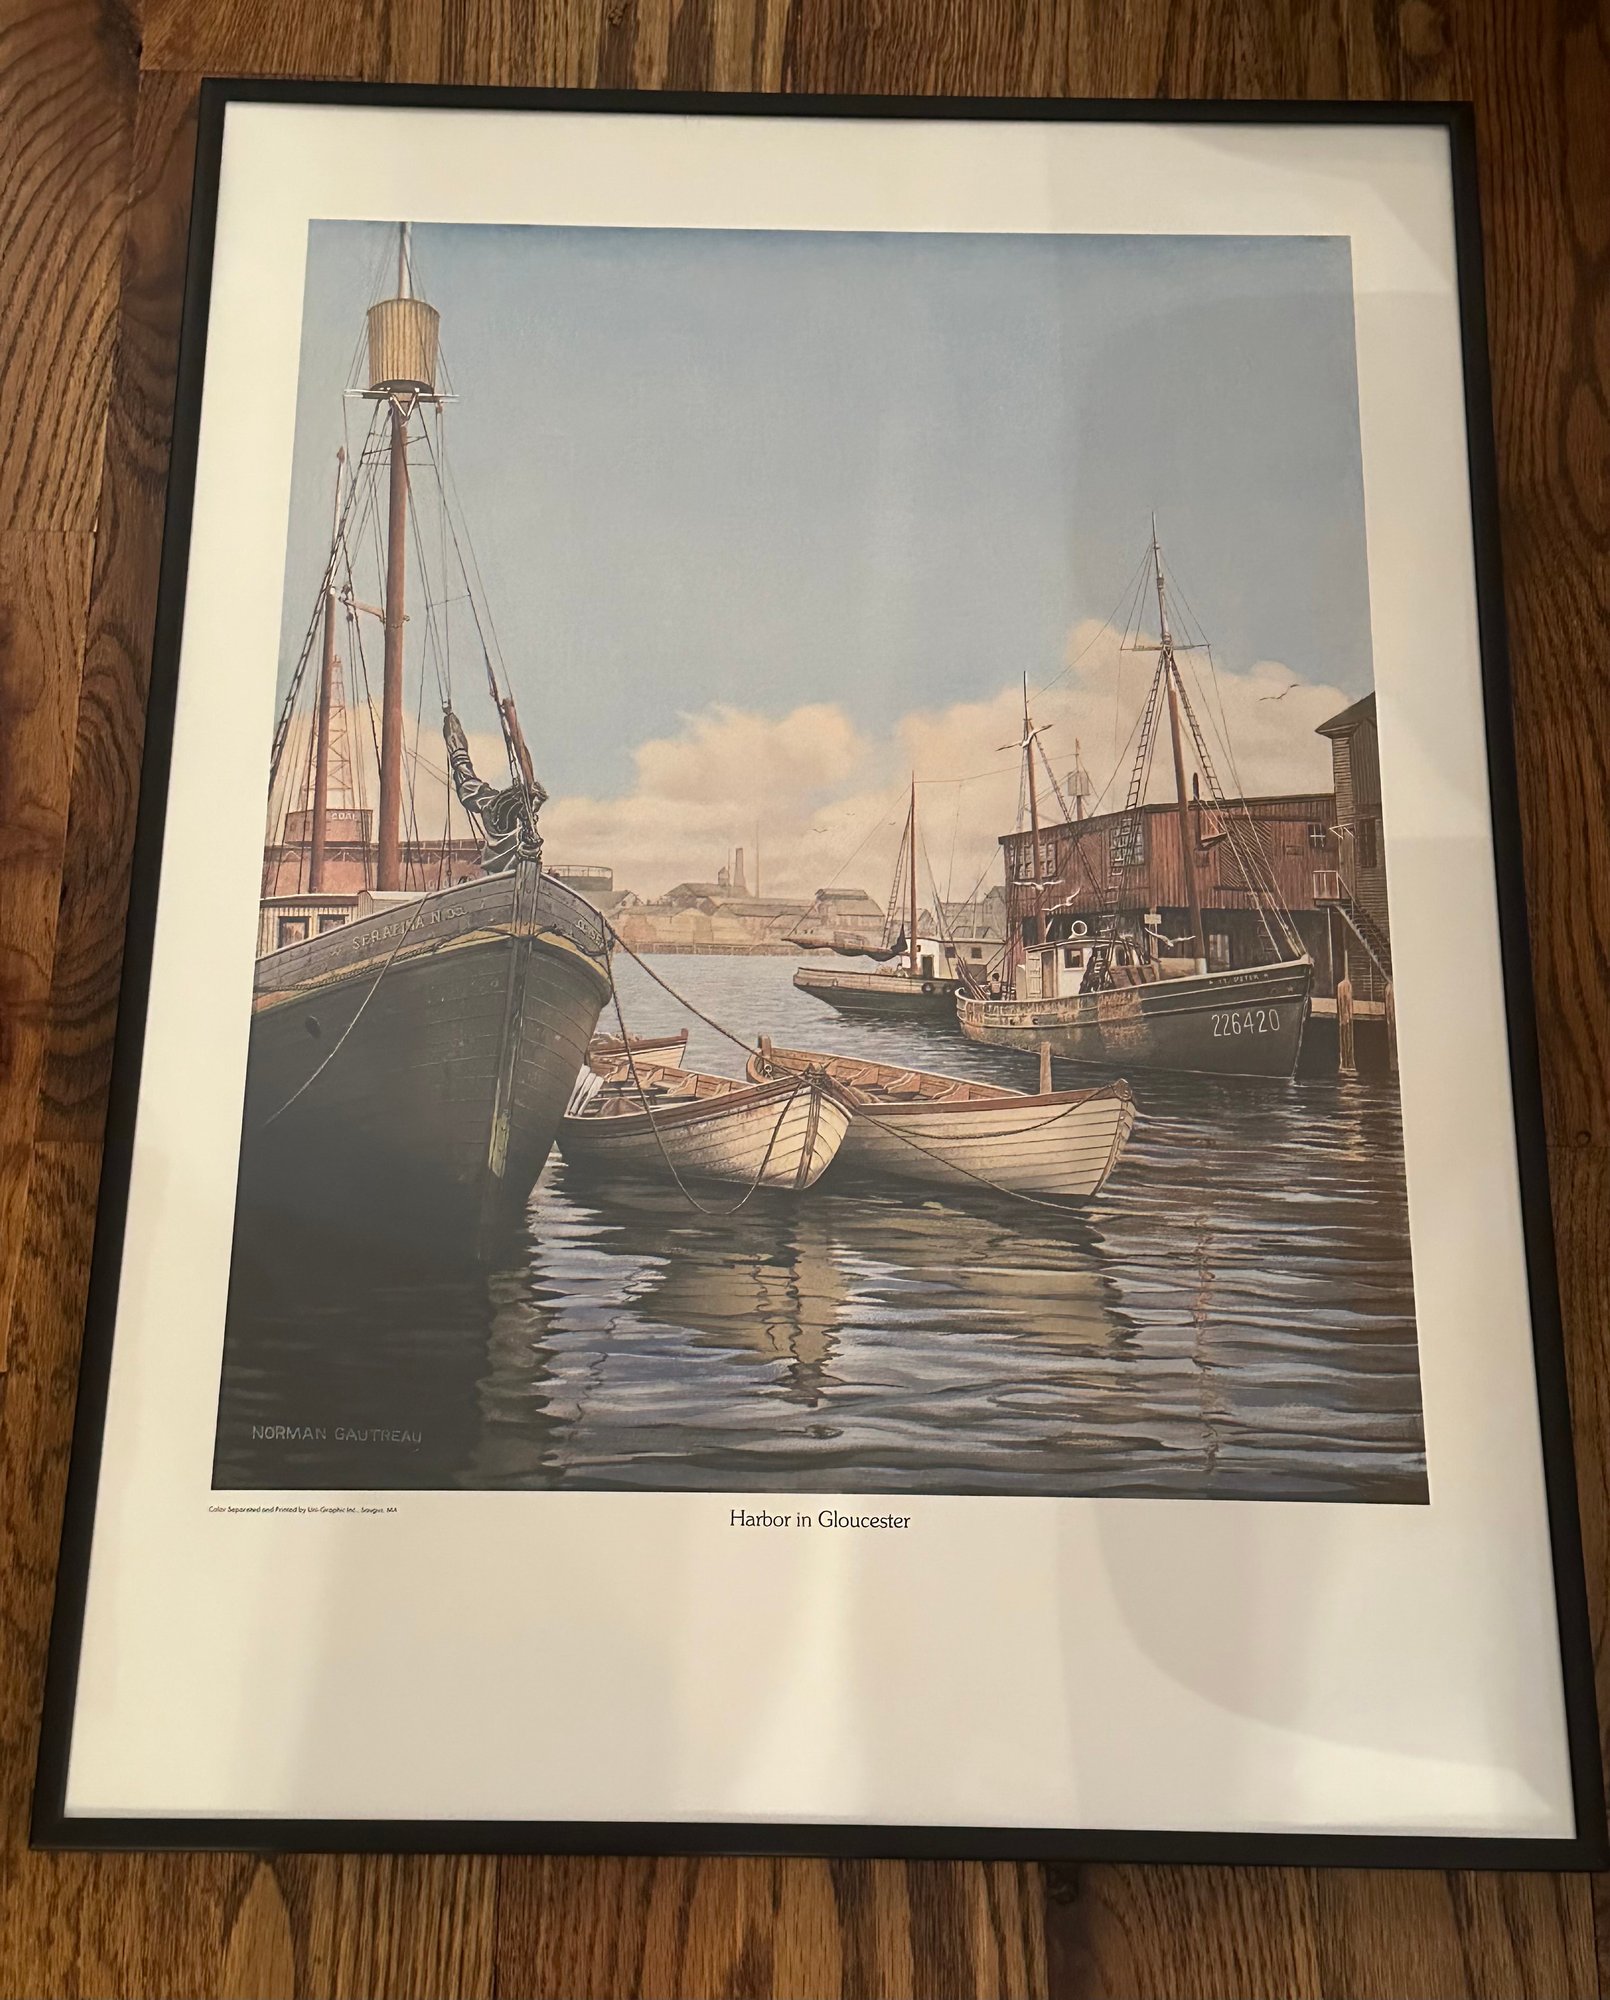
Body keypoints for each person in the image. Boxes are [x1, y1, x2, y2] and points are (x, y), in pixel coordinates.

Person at [442, 707, 546, 873]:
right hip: (517, 862)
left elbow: (468, 785)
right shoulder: (491, 802)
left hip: (516, 863)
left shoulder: (489, 801)